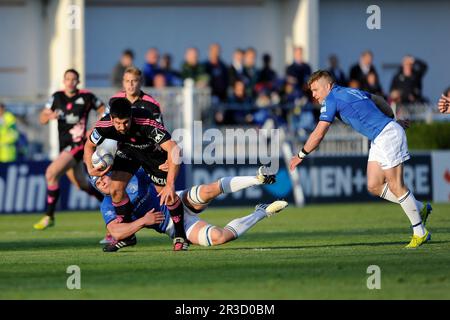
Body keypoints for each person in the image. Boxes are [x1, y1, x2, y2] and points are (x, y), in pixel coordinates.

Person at [289, 70, 433, 249]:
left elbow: (319, 133)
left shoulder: (331, 98)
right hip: (380, 136)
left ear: (327, 86)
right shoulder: (350, 91)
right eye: (311, 91)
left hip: (386, 135)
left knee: (396, 185)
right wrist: (392, 120)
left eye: (316, 90)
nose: (314, 95)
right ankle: (419, 207)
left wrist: (301, 154)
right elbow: (378, 100)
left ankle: (420, 232)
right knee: (374, 185)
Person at [90, 166, 280, 252]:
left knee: (208, 190)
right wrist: (142, 221)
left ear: (109, 173)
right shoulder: (107, 205)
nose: (103, 182)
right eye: (98, 183)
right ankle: (261, 211)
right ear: (98, 188)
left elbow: (158, 172)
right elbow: (116, 231)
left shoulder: (132, 175)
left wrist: (164, 168)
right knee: (220, 237)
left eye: (103, 177)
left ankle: (257, 179)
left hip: (177, 199)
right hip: (171, 225)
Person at [84, 98, 189, 251]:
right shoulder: (104, 125)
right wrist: (89, 167)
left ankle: (180, 235)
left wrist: (170, 184)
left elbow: (174, 149)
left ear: (131, 116)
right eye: (117, 123)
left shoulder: (146, 122)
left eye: (125, 122)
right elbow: (89, 145)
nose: (121, 127)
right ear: (111, 118)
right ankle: (128, 238)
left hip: (152, 153)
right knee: (115, 189)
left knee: (166, 193)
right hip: (128, 151)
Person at [33, 69, 106, 230]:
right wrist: (48, 116)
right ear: (64, 81)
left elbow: (104, 111)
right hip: (64, 147)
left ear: (78, 81)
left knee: (51, 173)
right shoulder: (56, 97)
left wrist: (94, 129)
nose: (71, 82)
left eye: (74, 79)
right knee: (82, 185)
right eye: (68, 79)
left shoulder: (87, 96)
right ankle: (110, 203)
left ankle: (49, 216)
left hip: (78, 145)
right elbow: (42, 117)